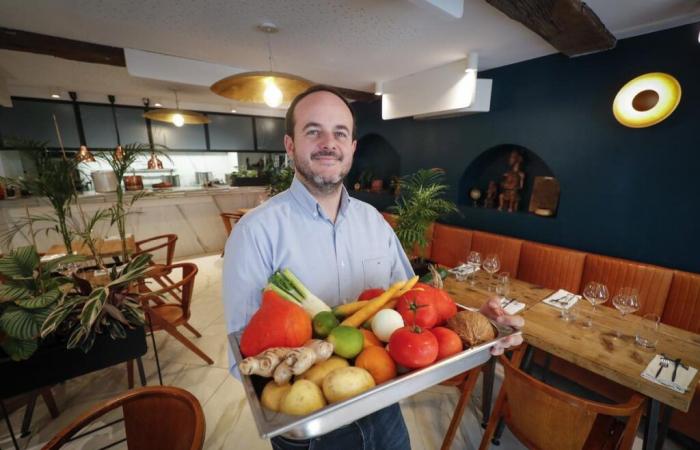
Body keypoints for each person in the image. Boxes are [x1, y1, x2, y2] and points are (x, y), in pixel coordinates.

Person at [222, 85, 524, 450]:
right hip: (311, 423)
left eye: (340, 133)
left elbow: (411, 305)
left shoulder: (374, 222)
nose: (328, 143)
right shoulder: (255, 232)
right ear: (290, 145)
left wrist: (476, 323)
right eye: (313, 131)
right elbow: (244, 353)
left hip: (383, 406)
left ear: (352, 148)